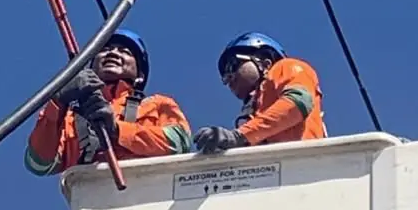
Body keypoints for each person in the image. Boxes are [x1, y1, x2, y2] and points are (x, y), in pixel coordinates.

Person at [25, 31, 191, 176]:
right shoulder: (69, 118)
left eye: (125, 51)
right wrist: (58, 101)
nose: (113, 54)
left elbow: (179, 143)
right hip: (91, 202)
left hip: (147, 198)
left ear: (140, 75)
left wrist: (118, 130)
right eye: (105, 49)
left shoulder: (157, 105)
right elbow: (39, 164)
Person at [194, 33, 326, 153]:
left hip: (304, 163)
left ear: (265, 63)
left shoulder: (284, 67)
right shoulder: (253, 117)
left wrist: (239, 136)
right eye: (225, 77)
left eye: (233, 65)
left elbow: (298, 103)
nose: (229, 77)